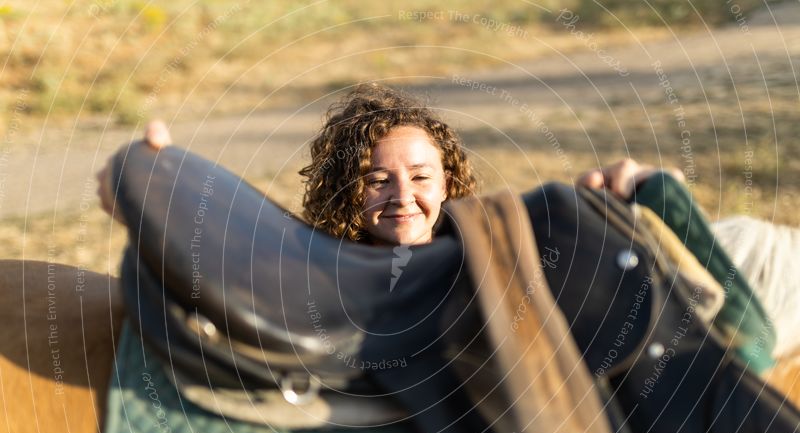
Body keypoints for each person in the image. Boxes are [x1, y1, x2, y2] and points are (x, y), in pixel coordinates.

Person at [97, 82, 682, 241]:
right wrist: (153, 193)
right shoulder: (308, 263)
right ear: (342, 190)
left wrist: (653, 201)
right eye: (376, 180)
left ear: (448, 183)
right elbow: (233, 250)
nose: (403, 196)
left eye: (421, 177)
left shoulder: (494, 248)